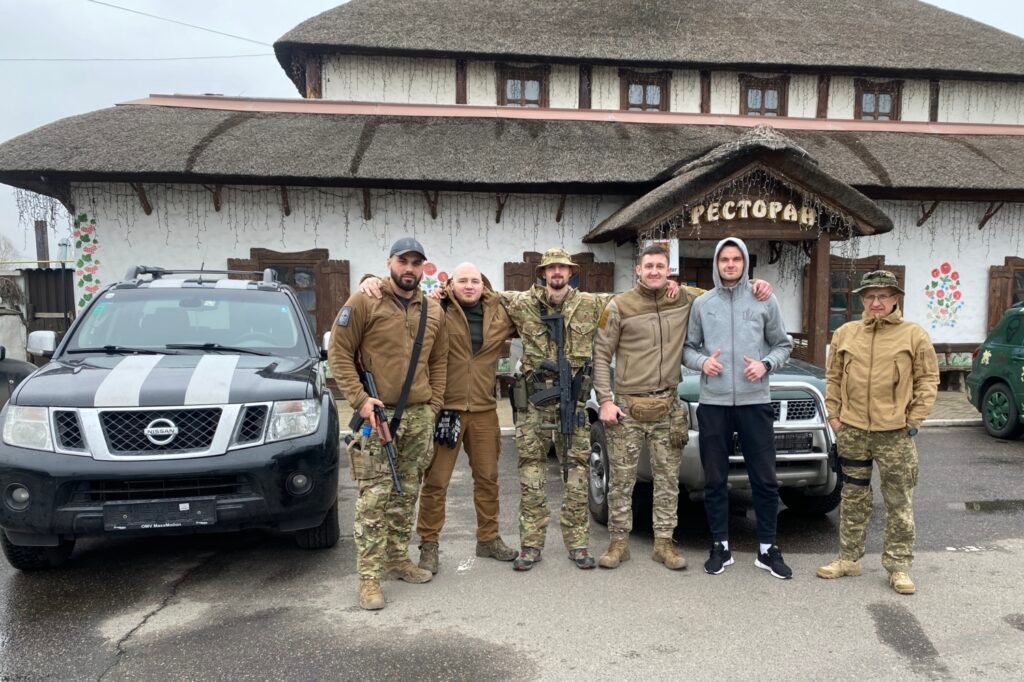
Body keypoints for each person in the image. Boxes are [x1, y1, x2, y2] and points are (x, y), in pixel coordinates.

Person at [593, 244, 775, 571]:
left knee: (668, 481)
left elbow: (726, 291)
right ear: (638, 269)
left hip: (668, 404)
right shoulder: (619, 306)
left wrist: (756, 285)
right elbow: (601, 353)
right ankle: (618, 543)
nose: (654, 271)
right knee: (621, 480)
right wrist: (605, 400)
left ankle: (664, 543)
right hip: (628, 405)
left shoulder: (686, 298)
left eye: (660, 266)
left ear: (669, 271)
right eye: (648, 266)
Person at [359, 263, 519, 572]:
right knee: (436, 482)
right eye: (463, 280)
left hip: (484, 410)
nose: (469, 286)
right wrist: (371, 280)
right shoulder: (436, 308)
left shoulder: (500, 313)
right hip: (446, 409)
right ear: (451, 284)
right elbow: (401, 294)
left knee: (488, 479)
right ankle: (429, 545)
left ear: (484, 285)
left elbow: (533, 306)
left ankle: (488, 538)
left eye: (475, 281)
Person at [328, 237, 448, 611]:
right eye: (402, 261)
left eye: (416, 263)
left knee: (406, 492)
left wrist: (433, 407)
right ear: (389, 263)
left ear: (423, 267)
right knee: (373, 498)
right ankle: (369, 578)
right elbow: (339, 353)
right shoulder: (365, 300)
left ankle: (397, 558)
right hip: (375, 416)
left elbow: (439, 362)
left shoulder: (433, 310)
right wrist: (360, 401)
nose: (409, 268)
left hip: (419, 416)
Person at [500, 248, 635, 571]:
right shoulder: (521, 303)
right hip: (534, 406)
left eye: (562, 267)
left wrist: (677, 288)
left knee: (576, 476)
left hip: (573, 404)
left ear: (571, 272)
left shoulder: (590, 303)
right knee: (531, 476)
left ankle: (577, 544)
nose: (557, 272)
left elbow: (635, 299)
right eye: (551, 268)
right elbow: (476, 292)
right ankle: (531, 545)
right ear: (543, 273)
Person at [817, 270, 938, 595]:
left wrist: (914, 419)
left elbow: (928, 379)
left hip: (895, 434)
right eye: (870, 296)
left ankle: (898, 567)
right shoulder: (846, 334)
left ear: (895, 298)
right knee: (853, 497)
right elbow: (833, 377)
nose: (876, 302)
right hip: (853, 431)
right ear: (862, 300)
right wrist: (834, 416)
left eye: (883, 296)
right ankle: (848, 558)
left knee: (898, 500)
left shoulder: (914, 335)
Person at [683, 237, 793, 579]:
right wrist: (702, 363)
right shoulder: (703, 304)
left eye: (736, 259)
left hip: (755, 402)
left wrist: (766, 365)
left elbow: (783, 344)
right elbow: (688, 348)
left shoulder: (764, 299)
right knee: (715, 479)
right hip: (714, 404)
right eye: (724, 259)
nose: (730, 265)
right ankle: (720, 545)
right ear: (716, 264)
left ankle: (767, 548)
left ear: (745, 263)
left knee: (765, 478)